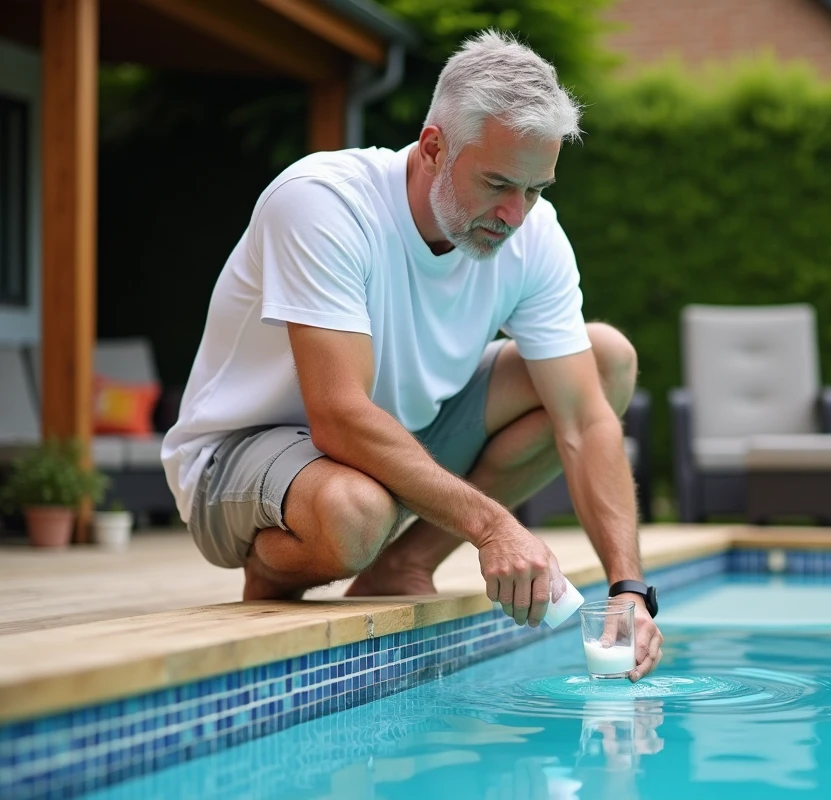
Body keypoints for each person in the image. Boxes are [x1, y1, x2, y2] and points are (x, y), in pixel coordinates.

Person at [161, 30, 664, 681]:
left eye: (536, 189)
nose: (516, 214)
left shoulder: (533, 233)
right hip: (241, 458)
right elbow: (338, 415)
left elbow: (586, 420)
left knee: (606, 359)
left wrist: (629, 590)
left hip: (397, 442)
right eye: (498, 183)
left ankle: (402, 563)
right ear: (432, 147)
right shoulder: (324, 202)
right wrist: (493, 527)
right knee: (355, 512)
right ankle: (273, 572)